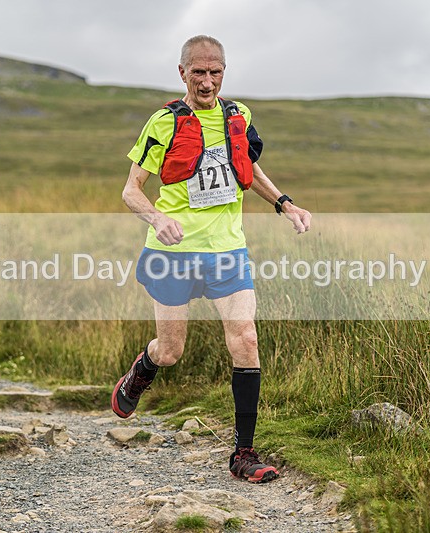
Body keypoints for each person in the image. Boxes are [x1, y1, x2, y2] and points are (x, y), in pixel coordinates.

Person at [111, 35, 311, 484]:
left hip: (228, 251)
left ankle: (244, 453)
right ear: (182, 72)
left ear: (224, 71)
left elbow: (248, 169)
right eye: (198, 72)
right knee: (172, 352)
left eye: (215, 71)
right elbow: (131, 190)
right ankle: (143, 368)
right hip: (174, 253)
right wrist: (156, 217)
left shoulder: (238, 116)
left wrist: (285, 204)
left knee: (245, 339)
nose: (207, 81)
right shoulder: (163, 123)